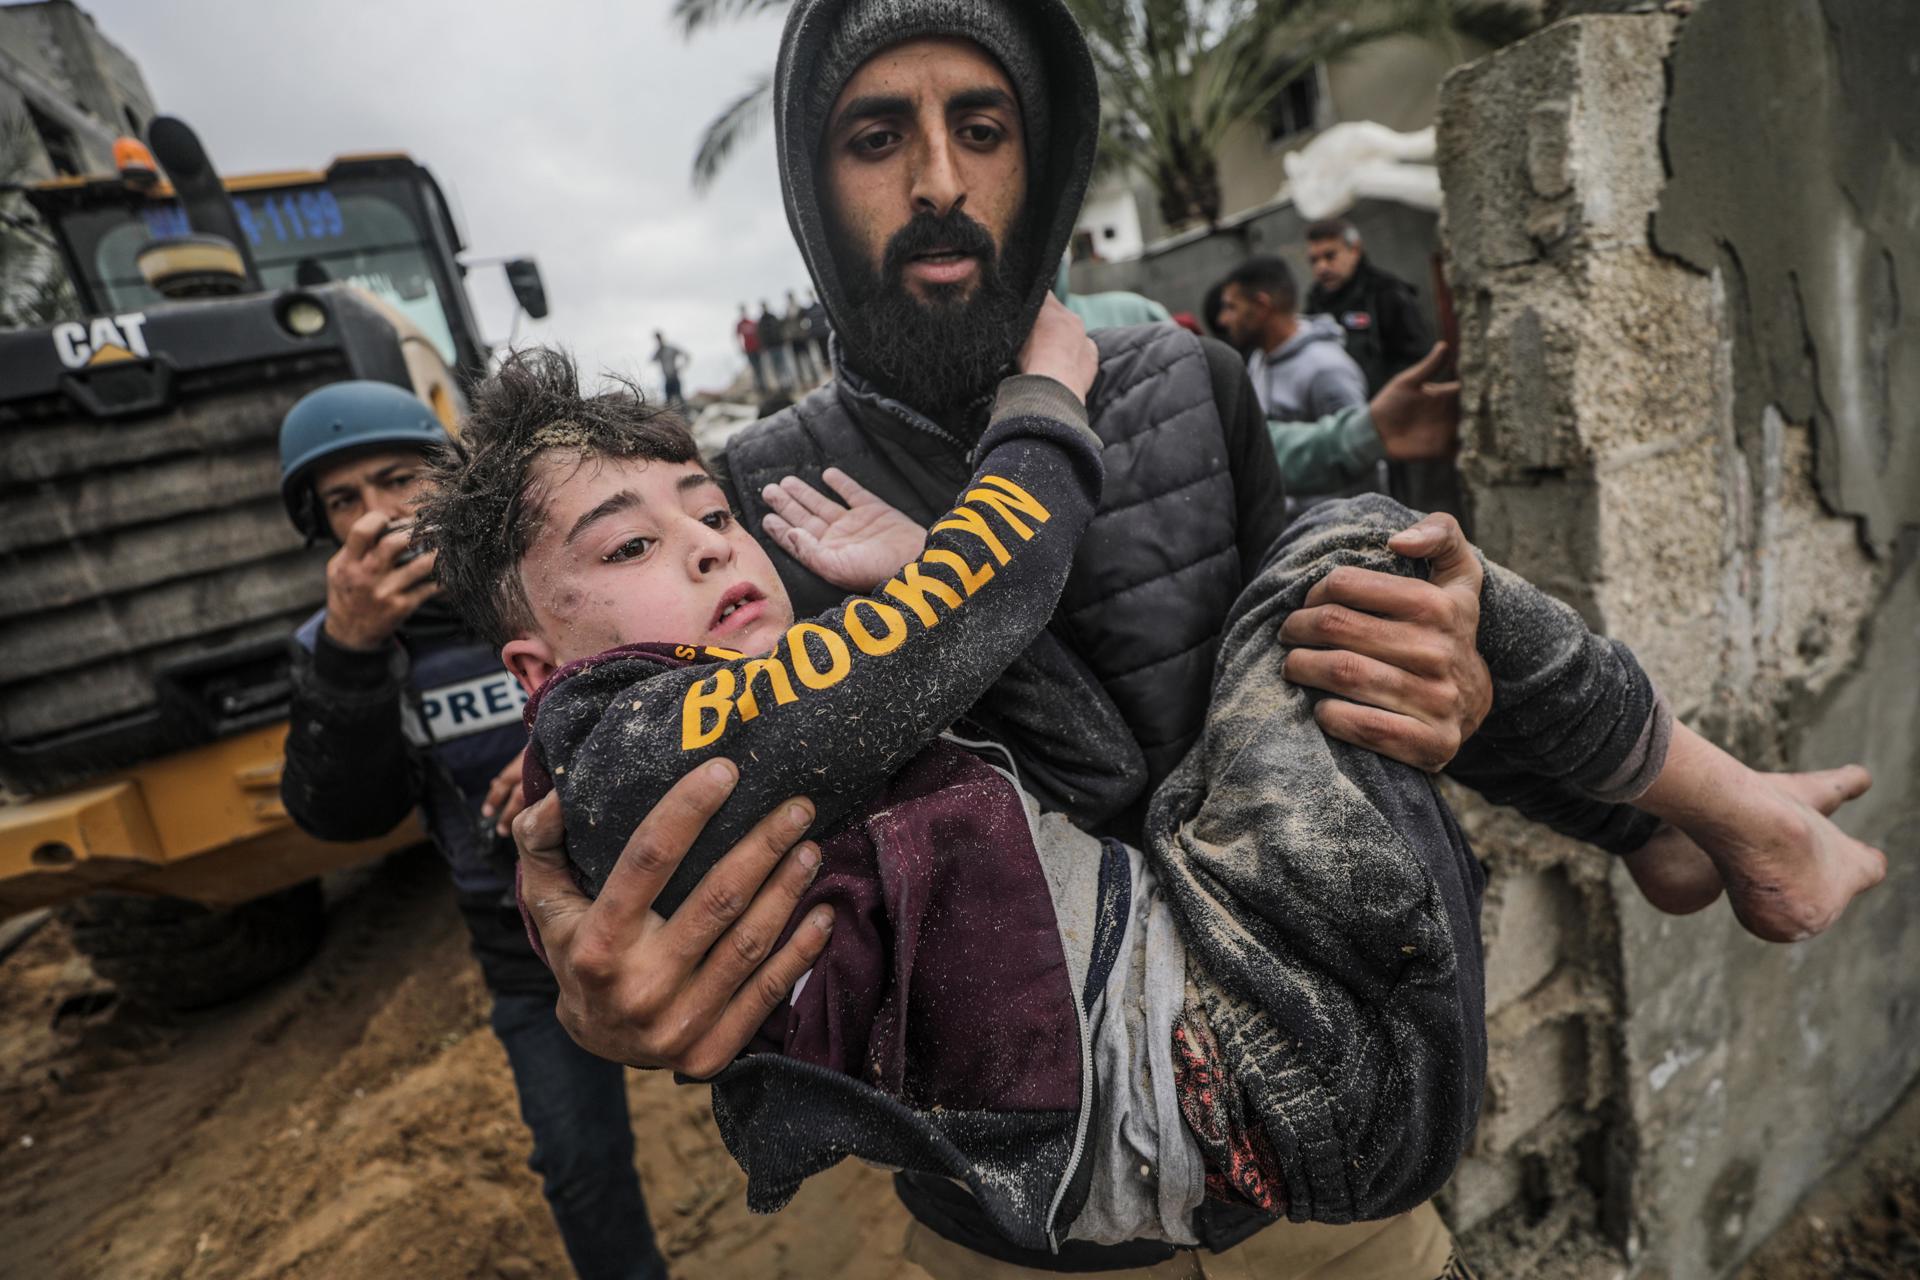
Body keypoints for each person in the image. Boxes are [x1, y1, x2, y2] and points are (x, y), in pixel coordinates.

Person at [509, 2, 1885, 1274]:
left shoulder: (1182, 383)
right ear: (815, 189)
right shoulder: (747, 512)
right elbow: (652, 826)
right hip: (1023, 1218)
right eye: (878, 136)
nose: (937, 180)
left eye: (980, 128)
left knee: (1367, 561)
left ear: (1039, 163)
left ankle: (1666, 825)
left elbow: (1335, 691)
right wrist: (599, 994)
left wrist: (1508, 734)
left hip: (1315, 1193)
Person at [272, 381, 670, 1280]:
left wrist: (566, 752)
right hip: (525, 951)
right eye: (344, 501)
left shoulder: (542, 582)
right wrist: (349, 654)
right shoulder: (336, 649)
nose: (378, 516)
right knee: (579, 1171)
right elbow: (343, 813)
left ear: (448, 478)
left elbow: (693, 681)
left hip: (675, 903)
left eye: (396, 479)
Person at [1217, 256, 1367, 423]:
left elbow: (1355, 443)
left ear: (1262, 306)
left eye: (1232, 307)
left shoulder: (1326, 370)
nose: (1223, 320)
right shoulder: (1259, 359)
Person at [1305, 216, 1434, 395]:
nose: (1322, 267)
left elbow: (1418, 358)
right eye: (1314, 260)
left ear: (1355, 250)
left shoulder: (1385, 292)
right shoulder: (1316, 302)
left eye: (1330, 256)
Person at [785, 288, 819, 385]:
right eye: (789, 297)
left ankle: (815, 378)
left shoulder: (800, 308)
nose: (790, 298)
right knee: (798, 363)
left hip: (802, 338)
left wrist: (805, 331)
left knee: (809, 359)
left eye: (791, 296)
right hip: (794, 339)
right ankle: (803, 382)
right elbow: (787, 326)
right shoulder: (787, 310)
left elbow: (807, 320)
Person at [758, 300, 792, 391]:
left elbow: (781, 329)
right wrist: (764, 346)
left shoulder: (773, 317)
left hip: (779, 345)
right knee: (775, 368)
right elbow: (760, 335)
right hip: (770, 348)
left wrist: (783, 340)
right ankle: (780, 385)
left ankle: (787, 383)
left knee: (784, 366)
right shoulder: (761, 321)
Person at [651, 329, 688, 407]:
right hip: (667, 378)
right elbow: (652, 360)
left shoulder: (671, 348)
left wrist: (681, 367)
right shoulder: (659, 351)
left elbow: (686, 355)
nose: (658, 340)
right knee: (668, 401)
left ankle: (686, 416)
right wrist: (658, 350)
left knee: (679, 398)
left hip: (674, 377)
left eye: (659, 338)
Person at [736, 303, 766, 395]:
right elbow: (737, 337)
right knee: (754, 368)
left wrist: (762, 346)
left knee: (761, 367)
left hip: (757, 348)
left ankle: (763, 385)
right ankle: (758, 386)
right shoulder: (740, 324)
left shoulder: (752, 322)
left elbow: (759, 335)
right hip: (749, 350)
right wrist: (741, 347)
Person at [804, 289, 832, 368]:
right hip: (818, 334)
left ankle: (830, 364)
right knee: (822, 352)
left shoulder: (820, 306)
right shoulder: (809, 310)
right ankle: (827, 366)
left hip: (825, 332)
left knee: (828, 349)